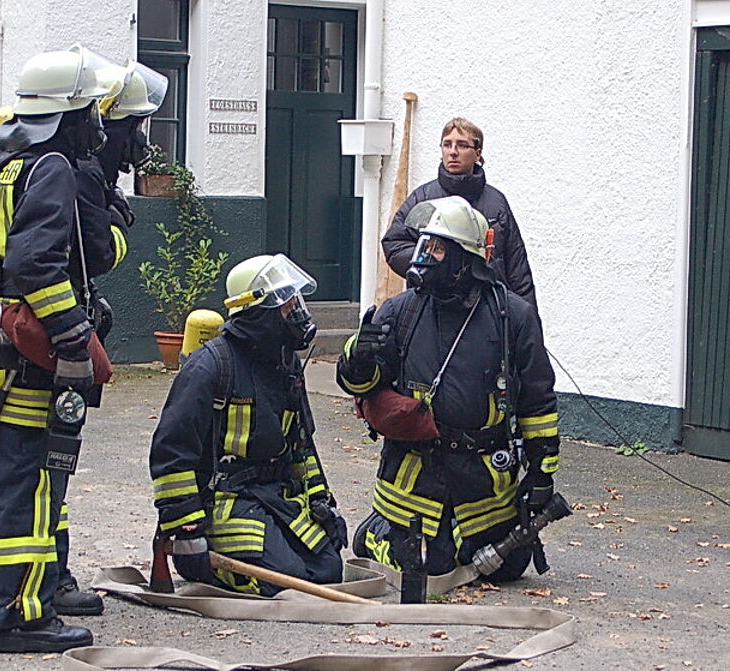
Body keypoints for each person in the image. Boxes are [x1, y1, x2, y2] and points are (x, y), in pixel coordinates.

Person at [0, 45, 124, 653]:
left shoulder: (2, 157)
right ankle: (23, 619)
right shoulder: (52, 166)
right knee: (28, 487)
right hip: (25, 358)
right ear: (72, 112)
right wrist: (74, 335)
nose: (98, 121)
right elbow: (34, 264)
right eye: (91, 109)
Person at [337, 196, 559, 584]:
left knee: (508, 567)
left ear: (464, 259)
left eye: (437, 249)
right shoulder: (400, 311)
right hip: (415, 473)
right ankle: (376, 533)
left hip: (483, 477)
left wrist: (542, 474)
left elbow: (537, 403)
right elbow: (364, 388)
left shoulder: (512, 316)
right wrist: (358, 360)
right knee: (430, 568)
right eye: (424, 245)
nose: (423, 257)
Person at [148, 254, 346, 596]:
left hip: (274, 496)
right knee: (283, 584)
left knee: (328, 571)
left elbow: (301, 447)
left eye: (296, 302)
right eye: (286, 304)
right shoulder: (211, 366)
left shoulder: (285, 364)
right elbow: (170, 453)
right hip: (223, 503)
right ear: (259, 311)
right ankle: (204, 566)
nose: (297, 312)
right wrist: (188, 530)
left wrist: (322, 503)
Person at [51, 61, 168, 617]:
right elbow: (96, 254)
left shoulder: (60, 167)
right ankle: (49, 580)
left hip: (24, 335)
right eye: (135, 126)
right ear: (105, 123)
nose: (140, 140)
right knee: (50, 462)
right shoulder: (80, 176)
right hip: (53, 342)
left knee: (22, 467)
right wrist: (118, 224)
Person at [381, 118, 537, 307]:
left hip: (487, 307)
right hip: (433, 306)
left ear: (478, 153)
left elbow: (518, 270)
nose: (453, 152)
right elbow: (394, 244)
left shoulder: (497, 203)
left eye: (462, 145)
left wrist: (527, 318)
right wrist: (434, 262)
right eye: (447, 144)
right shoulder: (423, 198)